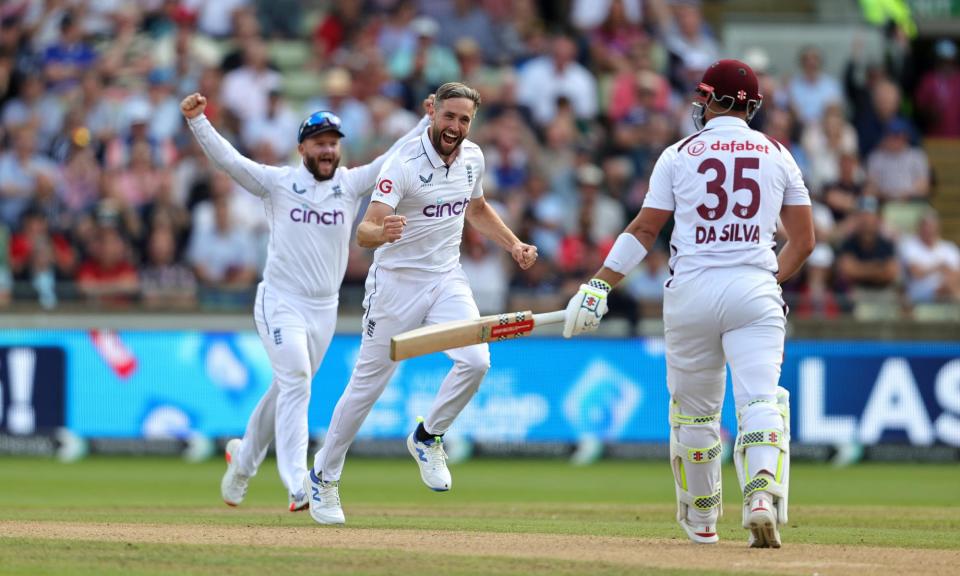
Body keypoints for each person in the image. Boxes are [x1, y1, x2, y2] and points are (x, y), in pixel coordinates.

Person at [562, 60, 815, 548]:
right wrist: (767, 279)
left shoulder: (678, 153)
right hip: (754, 289)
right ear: (753, 107)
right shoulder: (778, 152)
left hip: (691, 292)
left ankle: (702, 520)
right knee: (760, 399)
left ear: (707, 100)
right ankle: (761, 495)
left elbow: (644, 230)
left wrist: (597, 286)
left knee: (696, 416)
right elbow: (803, 241)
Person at [180, 91, 430, 514]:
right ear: (302, 149)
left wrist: (426, 123)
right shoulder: (279, 183)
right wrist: (198, 121)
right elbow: (229, 162)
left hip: (323, 309)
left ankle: (242, 462)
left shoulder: (350, 185)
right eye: (319, 142)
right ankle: (300, 483)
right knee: (297, 379)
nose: (327, 149)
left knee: (286, 387)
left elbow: (394, 155)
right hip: (280, 300)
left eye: (333, 142)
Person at [307, 82, 538, 525]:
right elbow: (364, 231)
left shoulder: (473, 158)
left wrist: (513, 245)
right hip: (395, 285)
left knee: (476, 362)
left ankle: (428, 436)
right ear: (432, 114)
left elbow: (477, 208)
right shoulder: (403, 163)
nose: (455, 127)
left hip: (446, 280)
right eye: (449, 117)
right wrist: (383, 233)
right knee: (367, 387)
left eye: (464, 120)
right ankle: (323, 476)